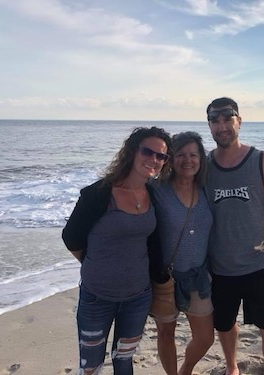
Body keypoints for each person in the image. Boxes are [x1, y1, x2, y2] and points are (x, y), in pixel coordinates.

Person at [62, 127, 172, 375]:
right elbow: (71, 237)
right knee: (90, 366)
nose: (153, 159)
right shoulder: (99, 194)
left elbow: (153, 242)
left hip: (138, 296)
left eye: (161, 156)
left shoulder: (153, 194)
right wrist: (94, 264)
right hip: (97, 298)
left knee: (124, 360)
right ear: (132, 152)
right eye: (148, 151)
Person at [204, 97, 264, 375]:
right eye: (214, 120)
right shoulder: (203, 168)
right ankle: (232, 368)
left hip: (257, 265)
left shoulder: (262, 161)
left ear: (239, 121)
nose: (221, 126)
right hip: (219, 269)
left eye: (227, 118)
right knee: (225, 325)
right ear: (209, 126)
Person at [149, 131, 214, 375]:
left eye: (193, 155)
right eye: (181, 155)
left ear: (201, 159)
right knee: (166, 334)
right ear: (170, 159)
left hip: (198, 277)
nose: (188, 160)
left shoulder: (206, 189)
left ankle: (186, 369)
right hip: (165, 280)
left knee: (205, 337)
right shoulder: (157, 190)